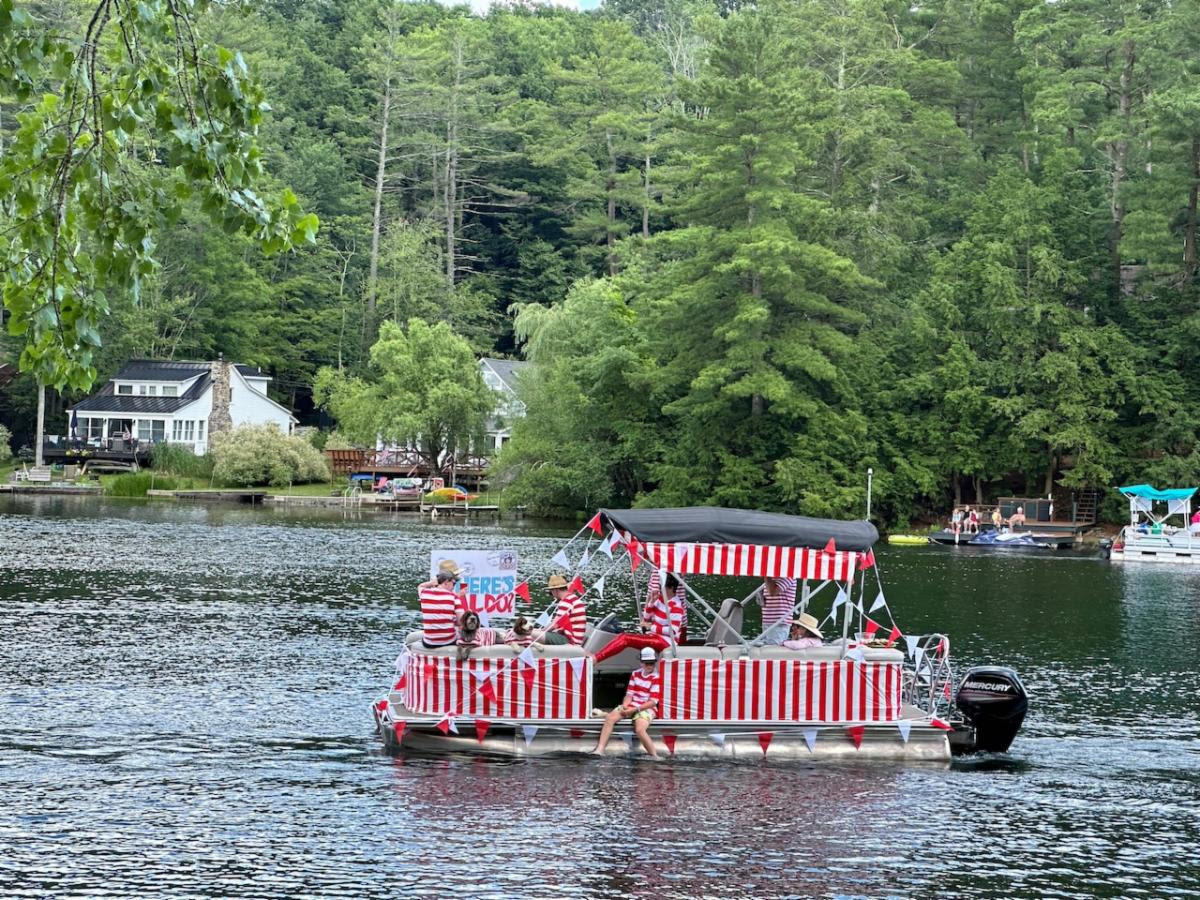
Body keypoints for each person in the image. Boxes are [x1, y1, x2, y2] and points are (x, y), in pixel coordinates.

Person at [591, 573, 684, 663]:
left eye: (662, 587)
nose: (660, 590)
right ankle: (597, 656)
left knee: (626, 638)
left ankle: (596, 659)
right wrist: (651, 602)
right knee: (622, 636)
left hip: (666, 642)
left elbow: (672, 631)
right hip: (654, 636)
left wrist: (650, 627)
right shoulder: (660, 599)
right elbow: (646, 617)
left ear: (671, 588)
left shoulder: (676, 606)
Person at [592, 647, 661, 758]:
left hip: (647, 708)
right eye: (647, 663)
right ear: (641, 663)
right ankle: (600, 749)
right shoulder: (635, 674)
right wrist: (625, 706)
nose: (649, 666)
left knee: (640, 729)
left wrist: (634, 710)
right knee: (609, 718)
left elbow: (653, 702)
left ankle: (655, 756)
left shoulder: (657, 677)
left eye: (652, 663)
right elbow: (629, 695)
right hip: (633, 705)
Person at [417, 562, 466, 649]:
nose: (454, 586)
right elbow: (461, 622)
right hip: (448, 641)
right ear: (446, 582)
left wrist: (433, 582)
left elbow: (420, 586)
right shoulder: (454, 597)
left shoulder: (424, 593)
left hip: (429, 642)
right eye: (454, 583)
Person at [540, 573, 586, 645]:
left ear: (555, 590)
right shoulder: (572, 598)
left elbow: (555, 624)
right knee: (533, 633)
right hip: (573, 638)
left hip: (570, 641)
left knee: (530, 634)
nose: (552, 595)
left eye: (551, 592)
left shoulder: (566, 601)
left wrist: (540, 632)